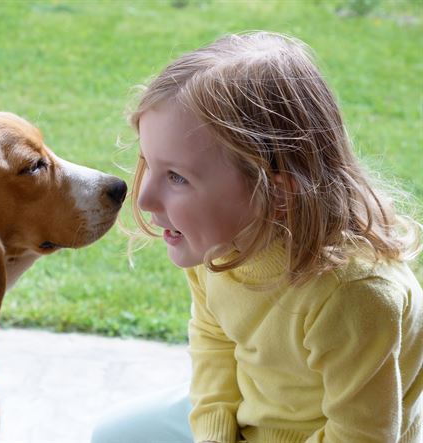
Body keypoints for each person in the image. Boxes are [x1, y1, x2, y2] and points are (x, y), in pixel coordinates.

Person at [91, 31, 423, 443]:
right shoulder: (216, 245)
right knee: (113, 435)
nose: (143, 198)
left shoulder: (356, 295)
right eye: (148, 164)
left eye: (177, 177)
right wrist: (214, 434)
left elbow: (363, 435)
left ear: (277, 192)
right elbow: (214, 342)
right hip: (255, 411)